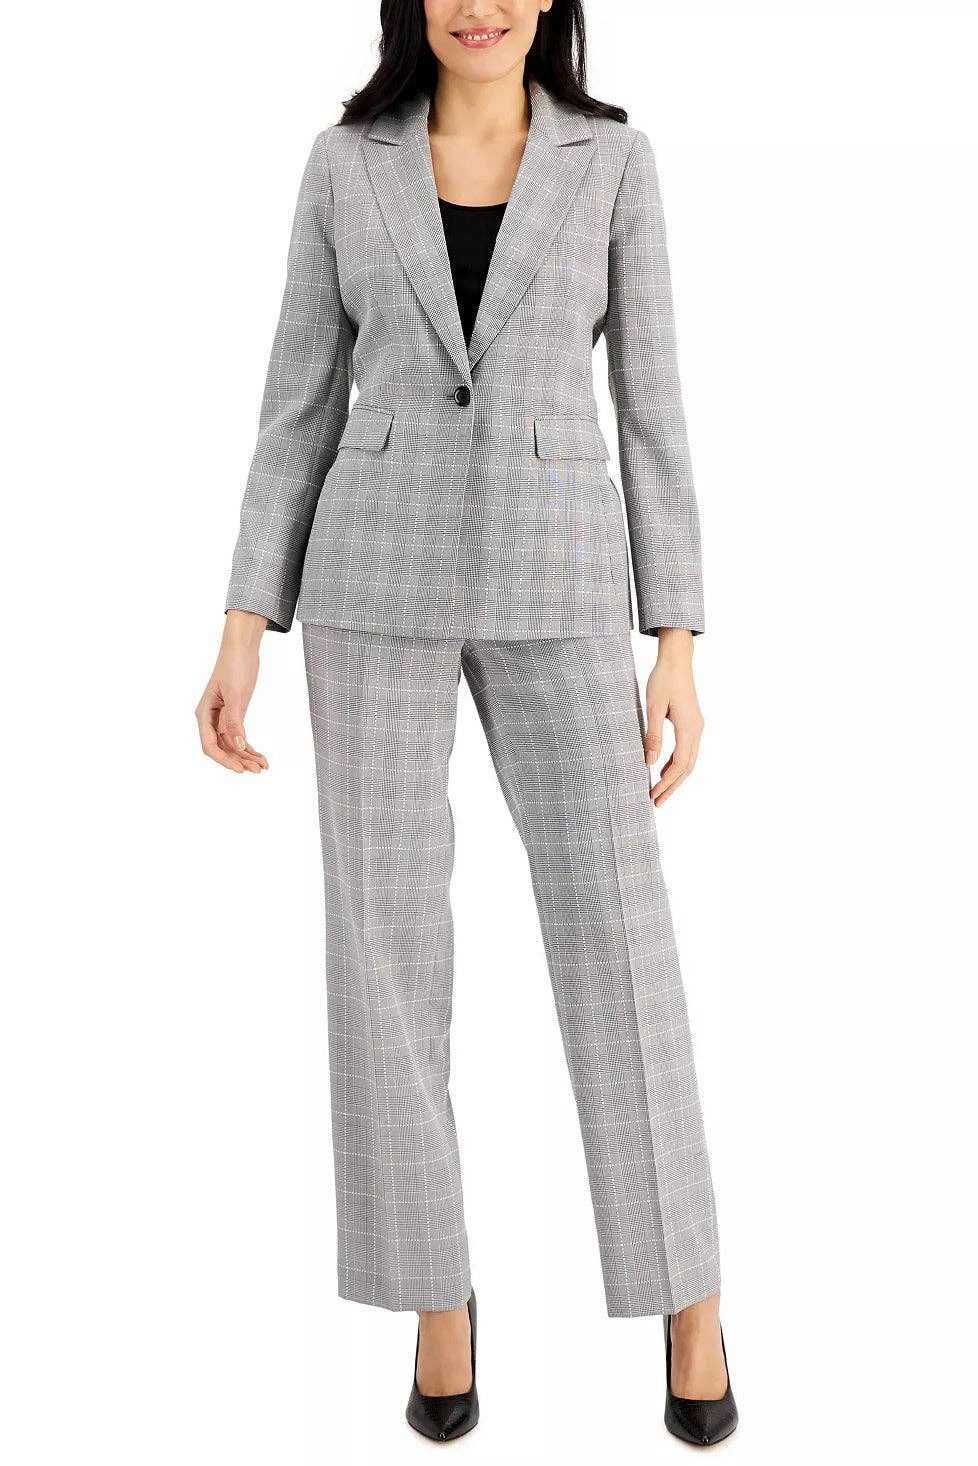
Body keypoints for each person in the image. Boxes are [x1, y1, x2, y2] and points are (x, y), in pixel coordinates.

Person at [196, 1, 738, 1447]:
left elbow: (654, 412)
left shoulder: (614, 164)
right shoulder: (344, 163)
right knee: (382, 945)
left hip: (562, 575)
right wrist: (246, 618)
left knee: (615, 933)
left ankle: (687, 1290)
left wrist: (675, 639)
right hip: (368, 577)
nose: (478, 3)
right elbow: (295, 403)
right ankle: (436, 1294)